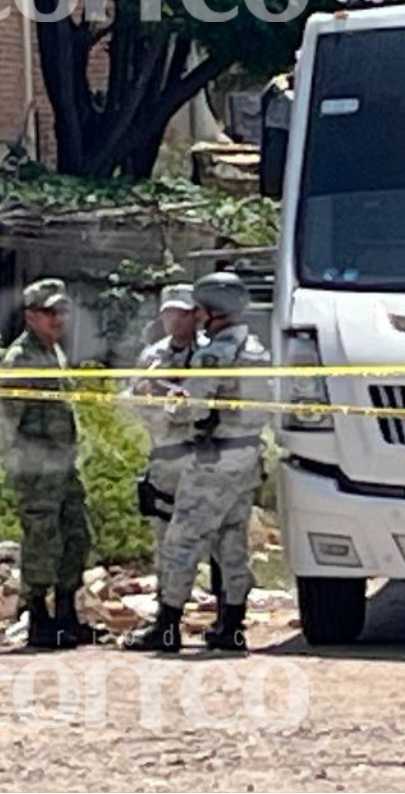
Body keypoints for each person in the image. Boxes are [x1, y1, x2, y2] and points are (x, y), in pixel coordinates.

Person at [123, 272, 270, 652]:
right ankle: (232, 627)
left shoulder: (213, 353)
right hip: (247, 455)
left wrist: (165, 394)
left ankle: (167, 626)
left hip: (215, 458)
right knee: (231, 542)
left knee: (181, 541)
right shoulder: (254, 348)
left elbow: (190, 408)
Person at [0, 279, 91, 649]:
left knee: (77, 537)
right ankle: (38, 617)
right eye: (50, 312)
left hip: (63, 467)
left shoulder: (53, 353)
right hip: (36, 470)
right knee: (41, 541)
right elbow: (4, 418)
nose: (58, 319)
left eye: (62, 311)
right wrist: (19, 466)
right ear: (31, 316)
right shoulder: (20, 359)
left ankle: (66, 615)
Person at [127, 284, 225, 600]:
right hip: (168, 457)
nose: (175, 321)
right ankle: (167, 611)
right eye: (169, 314)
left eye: (182, 314)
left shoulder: (213, 353)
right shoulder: (153, 357)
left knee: (219, 537)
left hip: (207, 457)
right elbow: (135, 402)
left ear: (196, 315)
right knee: (167, 538)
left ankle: (225, 615)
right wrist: (152, 400)